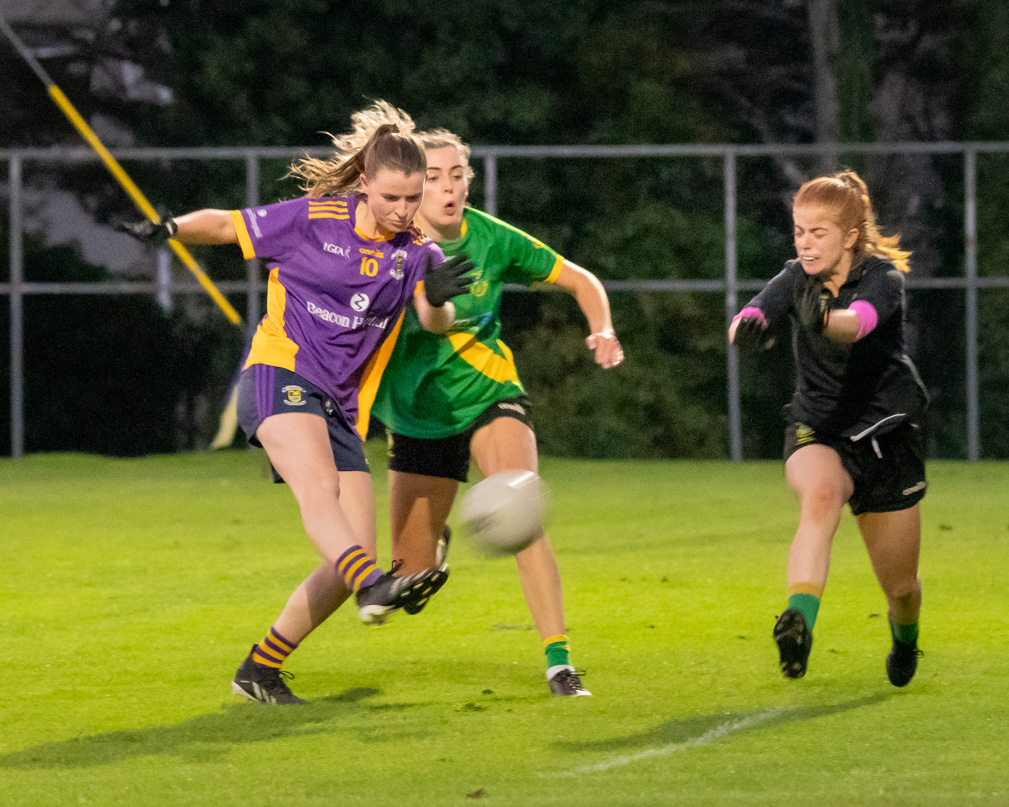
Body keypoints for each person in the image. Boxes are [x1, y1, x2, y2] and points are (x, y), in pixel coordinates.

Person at [118, 105, 474, 704]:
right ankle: (372, 587)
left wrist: (438, 300)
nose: (404, 210)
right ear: (364, 183)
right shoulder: (313, 219)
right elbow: (229, 226)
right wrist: (172, 229)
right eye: (393, 197)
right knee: (320, 495)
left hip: (338, 403)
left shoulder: (417, 251)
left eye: (413, 198)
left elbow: (436, 321)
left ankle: (260, 669)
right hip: (279, 372)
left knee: (346, 558)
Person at [369, 118, 624, 697]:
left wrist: (603, 328)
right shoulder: (387, 250)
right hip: (416, 416)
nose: (449, 187)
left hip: (490, 396)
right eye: (434, 177)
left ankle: (559, 663)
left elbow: (581, 280)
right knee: (408, 581)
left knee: (520, 506)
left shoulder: (491, 238)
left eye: (457, 174)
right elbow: (396, 324)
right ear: (413, 186)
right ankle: (430, 554)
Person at [729, 169, 928, 687]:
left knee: (902, 588)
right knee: (820, 498)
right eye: (799, 230)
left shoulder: (883, 278)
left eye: (818, 233)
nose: (805, 242)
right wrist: (744, 329)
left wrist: (821, 319)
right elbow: (750, 313)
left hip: (886, 434)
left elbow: (856, 323)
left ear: (850, 237)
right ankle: (798, 622)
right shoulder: (796, 276)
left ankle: (905, 639)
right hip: (818, 429)